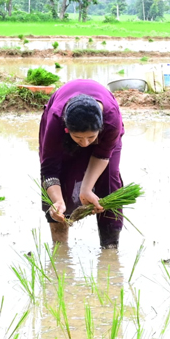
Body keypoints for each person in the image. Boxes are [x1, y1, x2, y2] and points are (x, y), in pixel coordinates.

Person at [38, 79, 125, 248]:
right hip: (60, 123)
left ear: (100, 129)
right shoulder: (56, 120)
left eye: (91, 138)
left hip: (105, 133)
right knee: (59, 188)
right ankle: (60, 248)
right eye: (78, 138)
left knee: (109, 181)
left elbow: (102, 155)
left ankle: (110, 247)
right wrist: (58, 201)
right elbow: (49, 169)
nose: (85, 144)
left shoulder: (111, 119)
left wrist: (86, 189)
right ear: (67, 129)